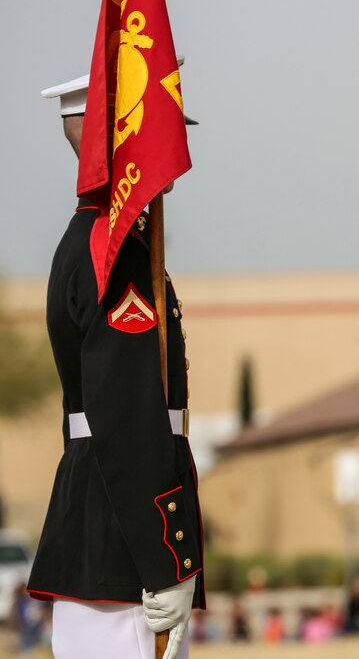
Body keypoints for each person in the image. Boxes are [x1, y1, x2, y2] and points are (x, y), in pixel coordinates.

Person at [27, 73, 204, 659]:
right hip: (125, 542)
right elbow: (127, 416)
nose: (176, 156)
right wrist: (168, 556)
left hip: (102, 522)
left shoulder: (89, 240)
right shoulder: (116, 252)